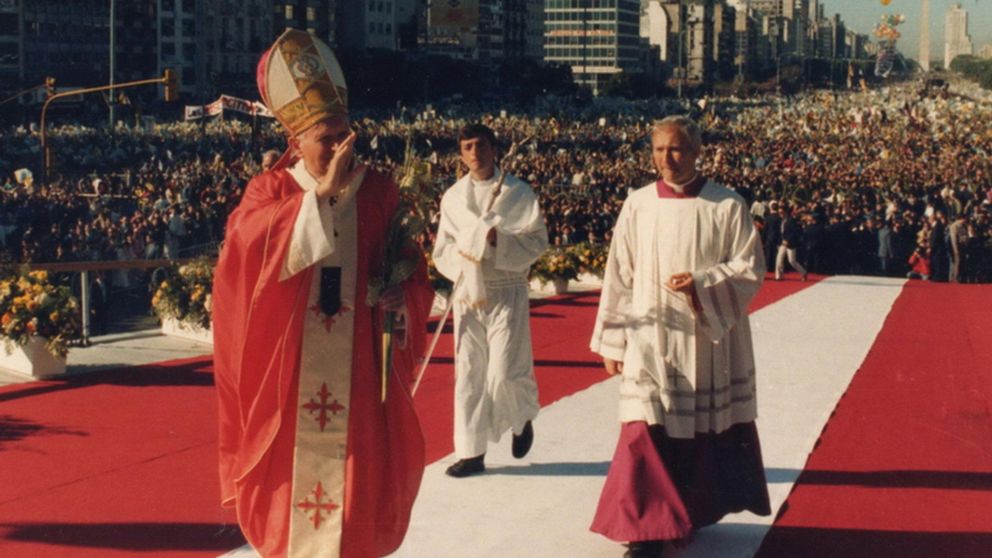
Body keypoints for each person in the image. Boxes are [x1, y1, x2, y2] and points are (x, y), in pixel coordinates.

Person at [211, 29, 433, 558]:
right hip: (289, 375)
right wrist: (323, 196)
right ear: (298, 139)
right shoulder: (273, 189)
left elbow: (411, 269)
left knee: (357, 497)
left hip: (358, 373)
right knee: (291, 502)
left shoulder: (379, 190)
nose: (338, 147)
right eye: (324, 138)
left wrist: (405, 297)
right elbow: (243, 253)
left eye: (343, 134)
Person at [589, 116, 771, 558]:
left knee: (691, 430)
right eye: (657, 150)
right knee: (642, 427)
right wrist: (612, 339)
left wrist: (701, 285)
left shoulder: (726, 205)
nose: (665, 160)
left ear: (696, 152)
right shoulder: (637, 203)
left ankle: (683, 512)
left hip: (702, 338)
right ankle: (644, 529)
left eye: (675, 150)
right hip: (647, 333)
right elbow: (619, 273)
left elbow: (750, 270)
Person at [431, 123, 549, 478]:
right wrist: (465, 256)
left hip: (506, 288)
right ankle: (471, 452)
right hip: (470, 290)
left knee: (503, 372)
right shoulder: (452, 198)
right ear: (461, 153)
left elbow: (537, 242)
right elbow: (442, 250)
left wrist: (497, 239)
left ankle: (520, 418)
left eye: (481, 145)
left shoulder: (518, 192)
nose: (474, 153)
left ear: (494, 148)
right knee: (469, 374)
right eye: (467, 146)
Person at [775, 203, 808, 281]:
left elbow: (794, 232)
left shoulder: (791, 220)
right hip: (782, 243)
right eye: (779, 213)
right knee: (779, 260)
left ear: (786, 212)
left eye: (782, 212)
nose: (780, 214)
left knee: (792, 261)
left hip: (790, 244)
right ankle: (779, 276)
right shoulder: (781, 221)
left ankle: (803, 272)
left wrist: (788, 240)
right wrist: (780, 242)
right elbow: (781, 233)